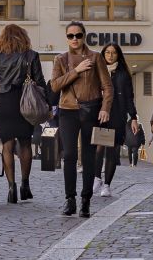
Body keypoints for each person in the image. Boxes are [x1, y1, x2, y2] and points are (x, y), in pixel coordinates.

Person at [51, 20, 113, 218]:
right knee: (69, 155)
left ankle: (85, 201)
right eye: (71, 36)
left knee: (88, 156)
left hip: (91, 110)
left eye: (78, 35)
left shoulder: (95, 58)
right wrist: (76, 71)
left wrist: (105, 108)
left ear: (84, 36)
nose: (75, 39)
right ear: (67, 38)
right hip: (68, 111)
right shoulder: (60, 60)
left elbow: (108, 87)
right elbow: (54, 86)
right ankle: (70, 199)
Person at [0, 24, 44, 204]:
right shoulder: (31, 55)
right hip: (25, 102)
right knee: (26, 144)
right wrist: (47, 104)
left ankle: (11, 188)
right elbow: (39, 81)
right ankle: (25, 184)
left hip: (3, 102)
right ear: (23, 37)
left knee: (7, 146)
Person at [94, 43, 136, 198]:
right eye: (107, 52)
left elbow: (129, 97)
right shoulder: (97, 71)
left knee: (112, 151)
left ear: (118, 55)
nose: (110, 55)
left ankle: (107, 185)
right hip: (100, 114)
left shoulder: (123, 74)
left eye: (113, 53)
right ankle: (97, 178)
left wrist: (133, 117)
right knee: (99, 147)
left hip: (117, 116)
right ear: (103, 54)